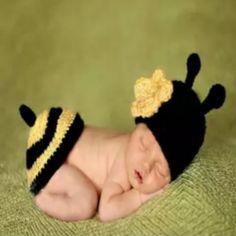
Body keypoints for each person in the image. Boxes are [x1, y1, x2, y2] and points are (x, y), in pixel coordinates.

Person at [19, 53, 226, 222]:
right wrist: (139, 196)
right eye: (143, 145)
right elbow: (107, 210)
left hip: (73, 143)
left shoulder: (135, 149)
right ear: (138, 125)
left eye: (160, 170)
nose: (145, 165)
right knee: (87, 203)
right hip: (55, 158)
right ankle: (43, 198)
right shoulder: (122, 164)